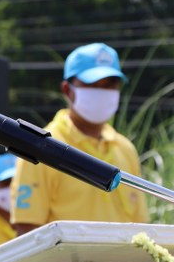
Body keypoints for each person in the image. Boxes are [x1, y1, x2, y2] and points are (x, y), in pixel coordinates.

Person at [10, 43, 148, 236]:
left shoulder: (126, 149)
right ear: (67, 90)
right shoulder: (40, 148)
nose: (102, 92)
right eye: (93, 84)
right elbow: (27, 231)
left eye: (110, 84)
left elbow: (142, 228)